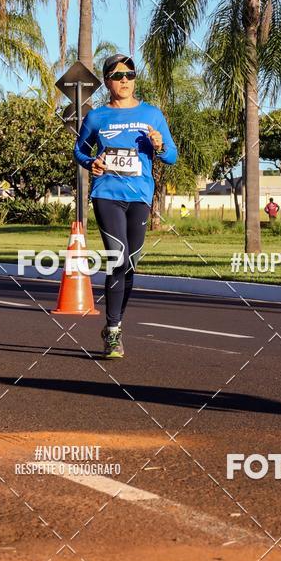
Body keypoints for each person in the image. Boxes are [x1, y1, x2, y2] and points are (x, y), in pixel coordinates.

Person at [74, 54, 177, 359]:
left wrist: (159, 145)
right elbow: (80, 151)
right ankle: (114, 329)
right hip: (107, 194)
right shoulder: (97, 117)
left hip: (140, 196)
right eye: (118, 75)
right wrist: (92, 163)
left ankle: (113, 324)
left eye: (129, 75)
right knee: (117, 257)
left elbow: (172, 156)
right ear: (107, 81)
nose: (124, 80)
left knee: (130, 262)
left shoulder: (152, 115)